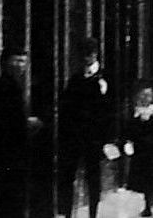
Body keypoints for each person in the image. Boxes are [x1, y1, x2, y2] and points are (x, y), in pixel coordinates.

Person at [56, 37, 117, 218]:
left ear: (95, 55)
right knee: (68, 175)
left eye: (89, 55)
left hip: (94, 137)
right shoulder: (75, 79)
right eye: (83, 55)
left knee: (93, 177)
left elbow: (110, 110)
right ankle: (67, 213)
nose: (86, 59)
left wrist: (107, 138)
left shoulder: (105, 79)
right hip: (74, 137)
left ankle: (93, 213)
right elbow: (66, 107)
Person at [0, 47, 41, 217]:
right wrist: (27, 125)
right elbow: (7, 123)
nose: (22, 66)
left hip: (8, 156)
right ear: (6, 62)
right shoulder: (7, 88)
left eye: (24, 61)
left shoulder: (11, 86)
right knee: (11, 201)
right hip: (9, 156)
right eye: (18, 61)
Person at [123, 81, 153, 218]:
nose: (145, 98)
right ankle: (147, 206)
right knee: (145, 180)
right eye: (143, 95)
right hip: (143, 151)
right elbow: (130, 130)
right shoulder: (136, 113)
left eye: (148, 95)